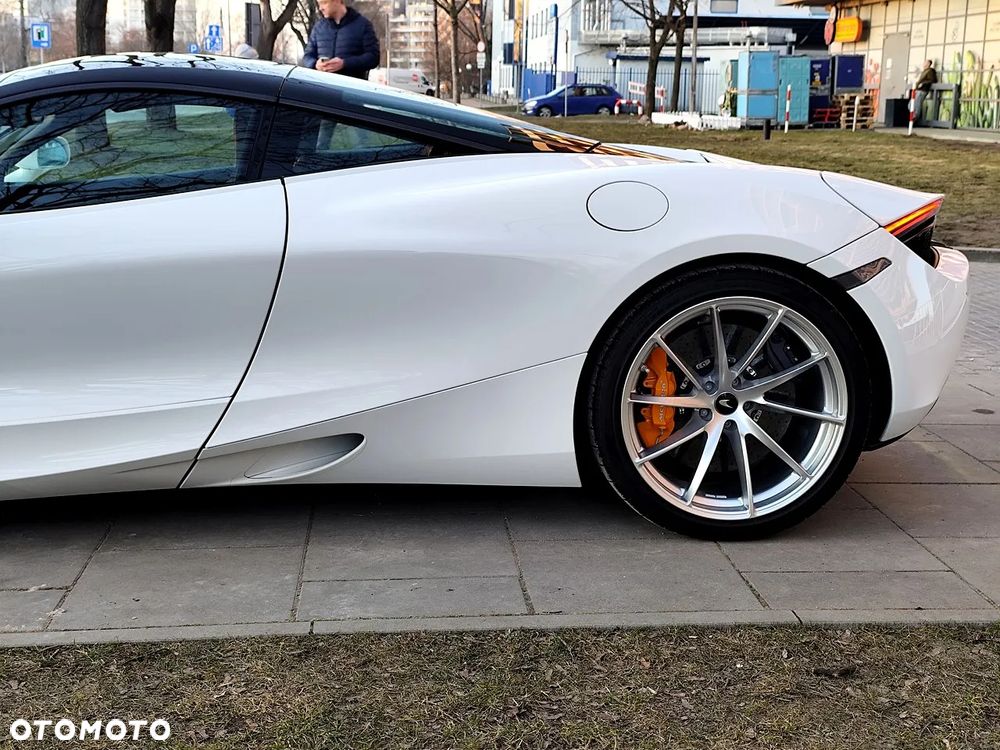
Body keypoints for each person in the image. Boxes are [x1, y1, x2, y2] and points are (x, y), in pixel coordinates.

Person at [301, 0, 379, 80]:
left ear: (337, 1)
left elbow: (373, 57)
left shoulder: (363, 25)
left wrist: (344, 63)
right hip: (322, 88)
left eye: (324, 3)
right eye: (319, 4)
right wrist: (315, 64)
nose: (320, 8)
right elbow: (307, 56)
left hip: (351, 88)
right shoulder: (318, 27)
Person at [914, 59, 937, 124]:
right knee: (911, 104)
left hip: (923, 90)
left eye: (925, 62)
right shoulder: (924, 71)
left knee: (917, 104)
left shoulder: (930, 71)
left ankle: (915, 118)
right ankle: (913, 117)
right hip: (918, 89)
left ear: (928, 64)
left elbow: (932, 80)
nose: (923, 63)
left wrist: (922, 83)